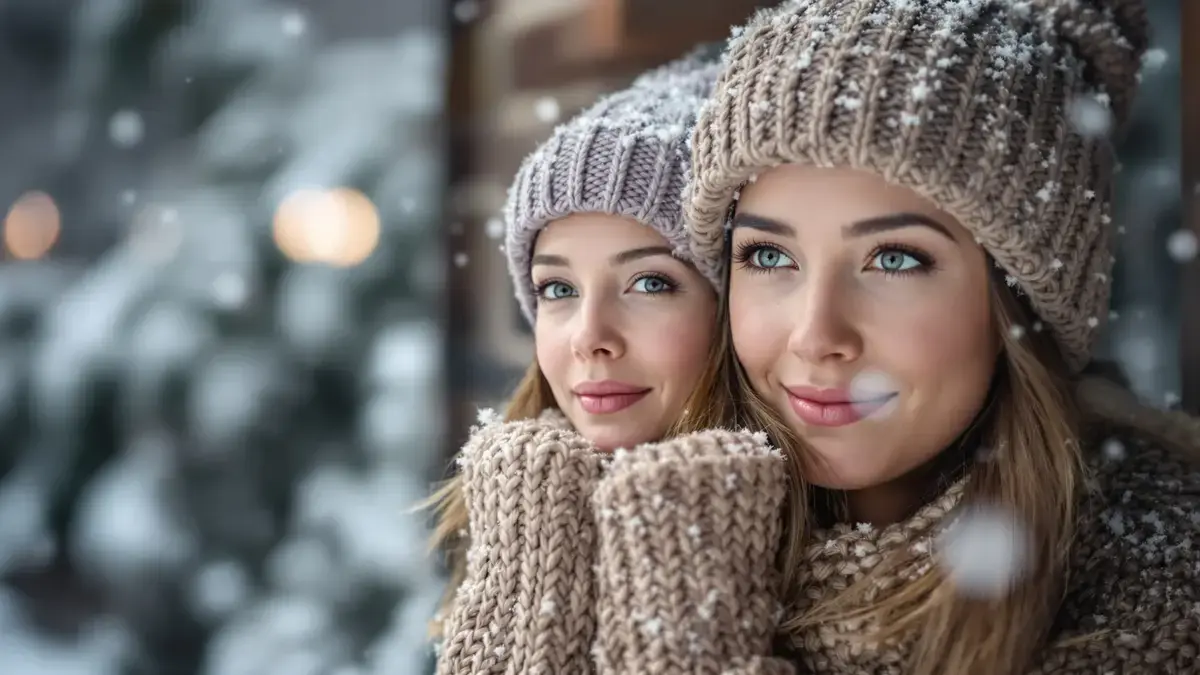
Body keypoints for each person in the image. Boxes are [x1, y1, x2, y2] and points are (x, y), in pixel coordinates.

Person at [669, 0, 1200, 673]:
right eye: (769, 257)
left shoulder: (1168, 604)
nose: (815, 335)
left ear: (1019, 301)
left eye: (894, 258)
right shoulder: (631, 532)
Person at [427, 45, 796, 674]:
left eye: (650, 283)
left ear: (732, 306)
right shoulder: (513, 513)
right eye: (558, 290)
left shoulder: (836, 576)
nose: (589, 337)